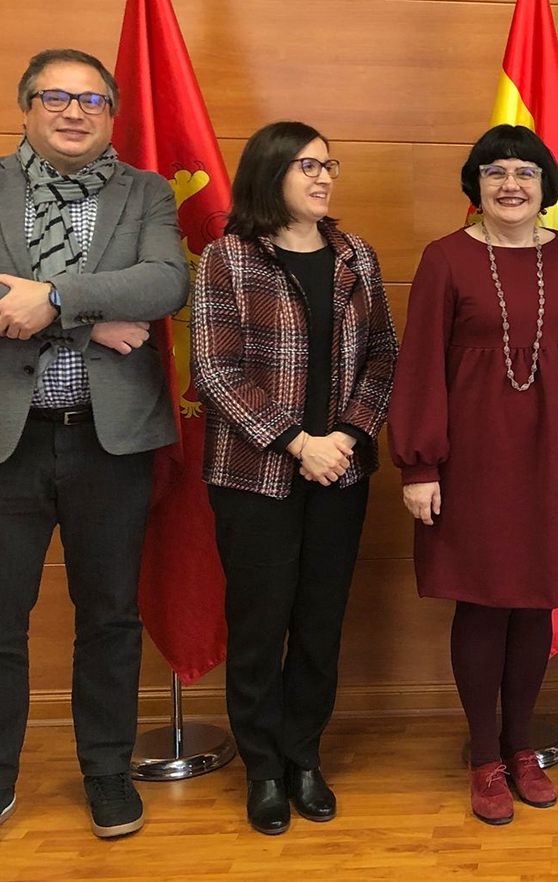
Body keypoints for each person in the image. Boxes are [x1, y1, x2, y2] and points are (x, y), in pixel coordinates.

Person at [0, 48, 187, 859]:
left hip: (108, 440)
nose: (75, 112)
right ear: (27, 107)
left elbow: (163, 283)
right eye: (57, 97)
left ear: (111, 114)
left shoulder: (144, 191)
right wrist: (93, 318)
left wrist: (60, 298)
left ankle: (106, 769)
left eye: (93, 101)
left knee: (109, 617)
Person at [389, 124, 558, 826]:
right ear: (476, 186)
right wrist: (420, 463)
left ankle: (523, 747)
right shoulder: (444, 258)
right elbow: (421, 363)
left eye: (525, 171)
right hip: (471, 461)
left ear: (546, 186)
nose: (511, 184)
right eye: (495, 172)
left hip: (556, 455)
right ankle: (485, 755)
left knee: (535, 602)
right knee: (484, 603)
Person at [190, 121, 398, 834]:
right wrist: (295, 441)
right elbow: (215, 371)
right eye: (307, 165)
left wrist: (343, 436)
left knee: (318, 624)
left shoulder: (356, 257)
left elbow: (383, 357)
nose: (323, 177)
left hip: (340, 472)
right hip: (253, 476)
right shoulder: (228, 258)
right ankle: (264, 770)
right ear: (269, 172)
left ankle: (304, 756)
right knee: (259, 625)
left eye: (328, 164)